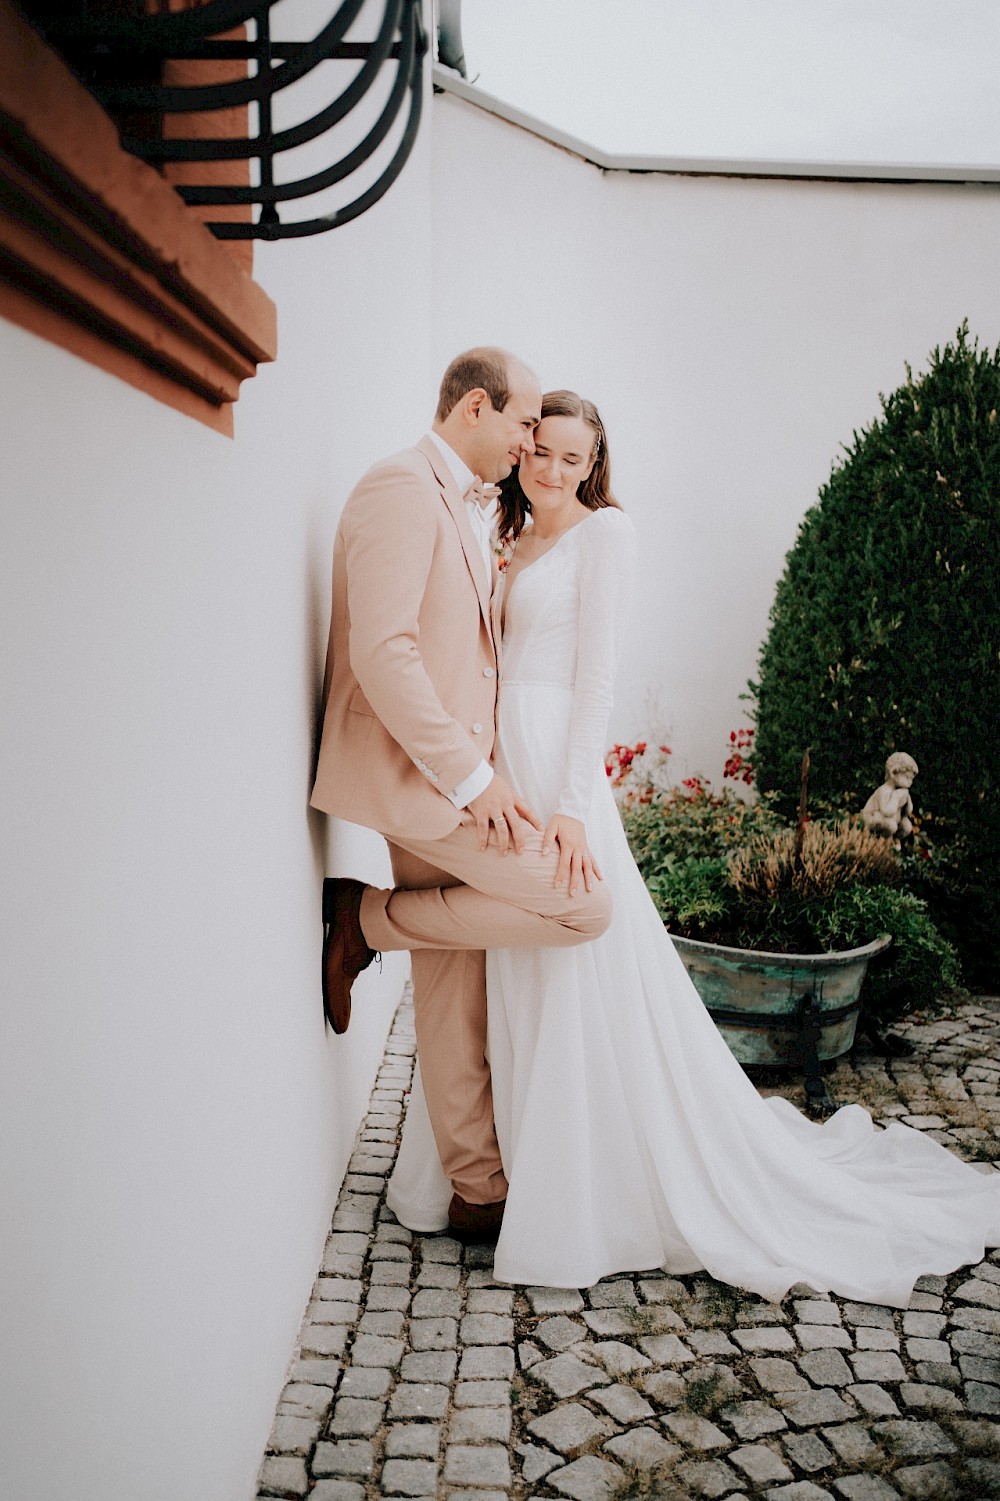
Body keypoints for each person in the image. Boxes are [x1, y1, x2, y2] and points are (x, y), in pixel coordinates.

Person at [386, 389, 1000, 1305]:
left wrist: (569, 806)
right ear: (519, 450)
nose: (555, 470)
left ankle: (584, 1186)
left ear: (595, 464)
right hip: (493, 761)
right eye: (542, 451)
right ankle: (496, 1162)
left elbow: (595, 682)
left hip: (556, 773)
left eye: (574, 458)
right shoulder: (500, 530)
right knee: (503, 961)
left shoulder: (606, 536)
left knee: (569, 949)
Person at [310, 351, 612, 1246]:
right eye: (523, 426)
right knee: (582, 905)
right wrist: (478, 782)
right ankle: (365, 921)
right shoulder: (400, 489)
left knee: (453, 972)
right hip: (433, 779)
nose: (531, 445)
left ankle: (477, 1189)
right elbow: (386, 653)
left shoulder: (467, 505)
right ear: (476, 406)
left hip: (459, 772)